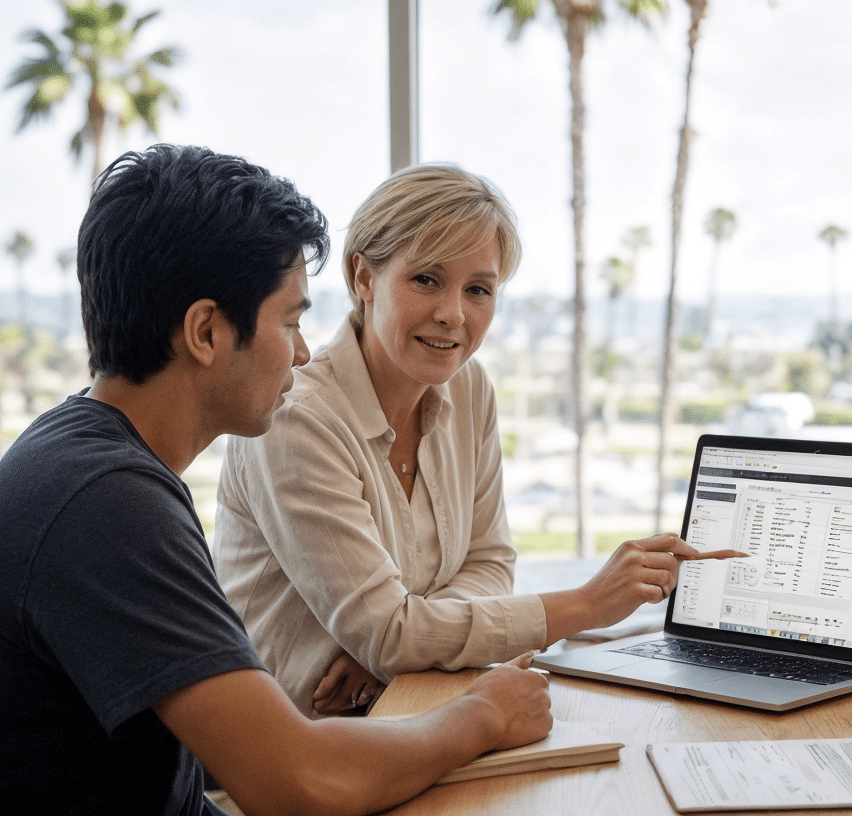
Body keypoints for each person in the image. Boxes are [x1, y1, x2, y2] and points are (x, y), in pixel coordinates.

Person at [0, 144, 552, 816]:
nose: (299, 351)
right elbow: (299, 780)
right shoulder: (107, 505)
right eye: (289, 321)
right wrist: (482, 718)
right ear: (206, 331)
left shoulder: (87, 461)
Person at [213, 163, 742, 717]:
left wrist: (407, 647)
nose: (452, 315)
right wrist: (587, 604)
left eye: (479, 290)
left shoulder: (467, 388)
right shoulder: (297, 420)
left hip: (413, 713)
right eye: (426, 280)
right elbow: (392, 634)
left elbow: (489, 563)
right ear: (363, 277)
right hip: (293, 757)